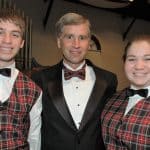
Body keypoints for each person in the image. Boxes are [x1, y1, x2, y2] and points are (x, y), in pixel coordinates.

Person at [31, 12, 118, 150]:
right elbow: (33, 127)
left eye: (82, 38)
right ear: (59, 41)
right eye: (69, 37)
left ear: (89, 43)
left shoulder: (108, 80)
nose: (76, 44)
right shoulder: (39, 79)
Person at [0, 8, 42, 149]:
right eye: (0, 32)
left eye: (15, 35)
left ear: (22, 43)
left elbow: (34, 137)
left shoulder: (34, 90)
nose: (7, 40)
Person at [101, 34, 150, 149]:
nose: (139, 66)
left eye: (148, 59)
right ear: (124, 63)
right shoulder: (112, 99)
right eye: (132, 59)